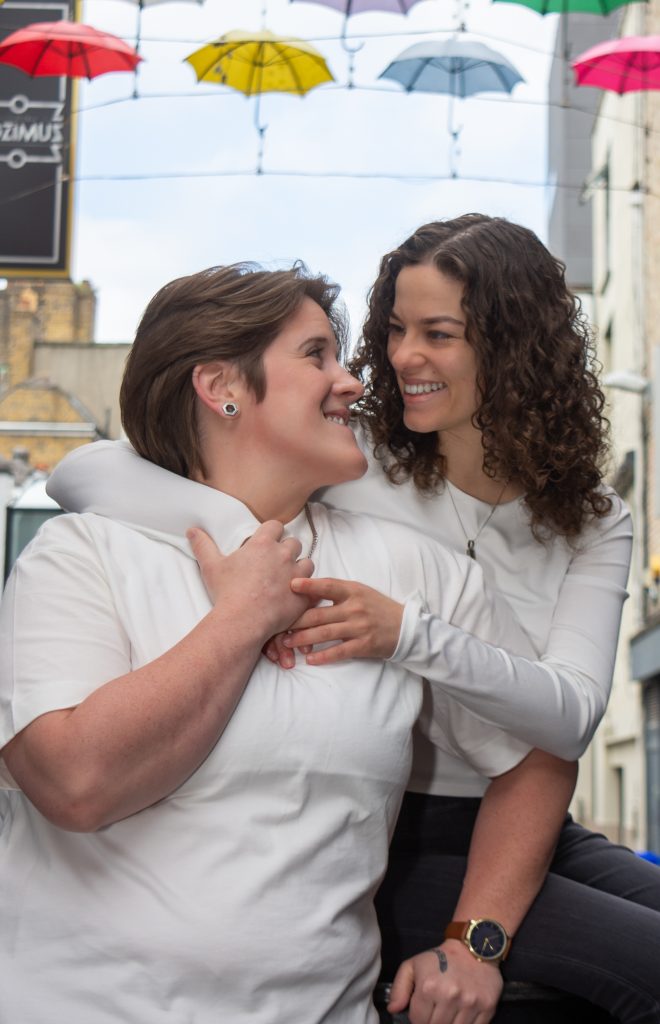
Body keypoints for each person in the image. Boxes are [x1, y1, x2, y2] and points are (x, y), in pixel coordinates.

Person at [46, 217, 660, 1024]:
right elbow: (83, 472)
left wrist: (411, 634)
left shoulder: (593, 517)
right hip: (392, 824)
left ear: (515, 347)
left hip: (523, 815)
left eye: (438, 333)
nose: (400, 358)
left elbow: (570, 719)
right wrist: (249, 565)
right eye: (396, 328)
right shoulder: (357, 458)